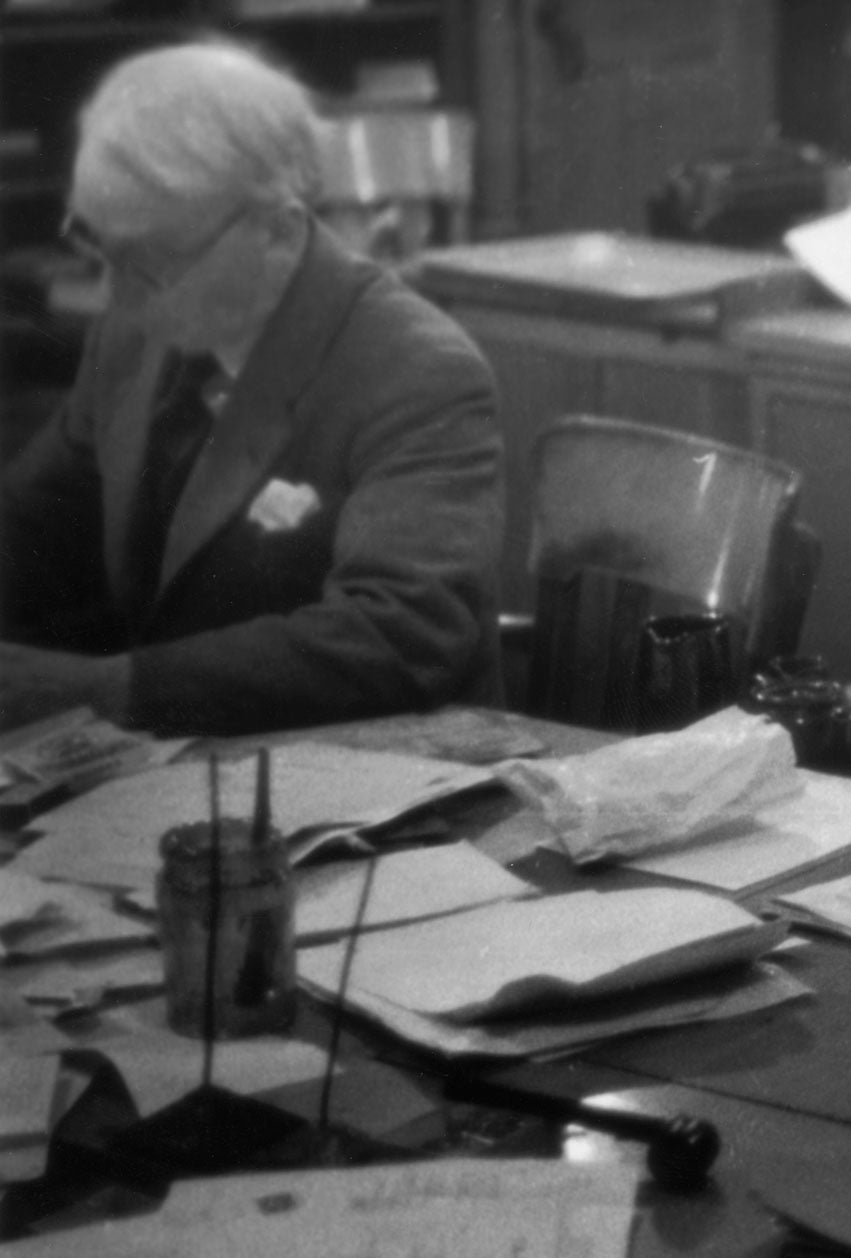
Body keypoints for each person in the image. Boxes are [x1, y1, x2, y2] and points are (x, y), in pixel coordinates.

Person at [0, 39, 504, 736]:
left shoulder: (418, 373)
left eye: (151, 261)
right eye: (98, 248)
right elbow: (33, 529)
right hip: (193, 768)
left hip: (378, 783)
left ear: (277, 227)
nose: (113, 294)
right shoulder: (133, 335)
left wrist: (101, 690)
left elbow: (401, 635)